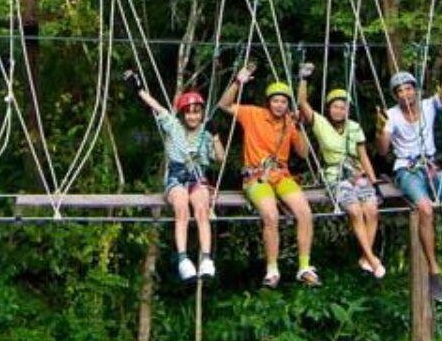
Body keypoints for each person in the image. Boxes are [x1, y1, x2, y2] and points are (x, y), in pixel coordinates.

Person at [373, 41, 442, 302]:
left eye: (409, 88)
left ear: (415, 90)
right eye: (400, 91)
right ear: (395, 96)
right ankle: (434, 270)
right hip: (407, 169)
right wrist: (380, 129)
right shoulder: (392, 115)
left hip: (430, 166)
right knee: (426, 209)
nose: (405, 94)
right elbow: (383, 151)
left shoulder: (429, 105)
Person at [217, 60, 317, 288]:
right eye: (276, 101)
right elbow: (224, 105)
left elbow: (303, 154)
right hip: (256, 177)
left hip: (282, 176)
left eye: (283, 101)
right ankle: (272, 270)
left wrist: (300, 127)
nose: (280, 105)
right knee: (270, 216)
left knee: (304, 212)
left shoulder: (290, 123)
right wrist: (237, 82)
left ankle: (304, 266)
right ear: (268, 102)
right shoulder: (253, 114)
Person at [124, 70, 222, 281]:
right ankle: (183, 259)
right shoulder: (173, 126)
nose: (193, 116)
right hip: (177, 178)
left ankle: (205, 258)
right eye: (188, 112)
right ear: (182, 114)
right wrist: (140, 90)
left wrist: (215, 136)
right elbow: (157, 106)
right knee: (181, 206)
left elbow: (221, 158)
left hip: (198, 178)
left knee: (202, 209)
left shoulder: (206, 132)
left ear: (202, 113)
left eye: (197, 112)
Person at [295, 65, 385, 278]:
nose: (339, 110)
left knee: (371, 209)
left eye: (343, 107)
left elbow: (363, 155)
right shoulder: (321, 124)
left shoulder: (354, 127)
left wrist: (374, 181)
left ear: (348, 110)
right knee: (354, 211)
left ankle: (366, 257)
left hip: (358, 174)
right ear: (329, 109)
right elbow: (301, 103)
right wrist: (304, 79)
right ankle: (371, 258)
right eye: (335, 107)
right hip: (336, 176)